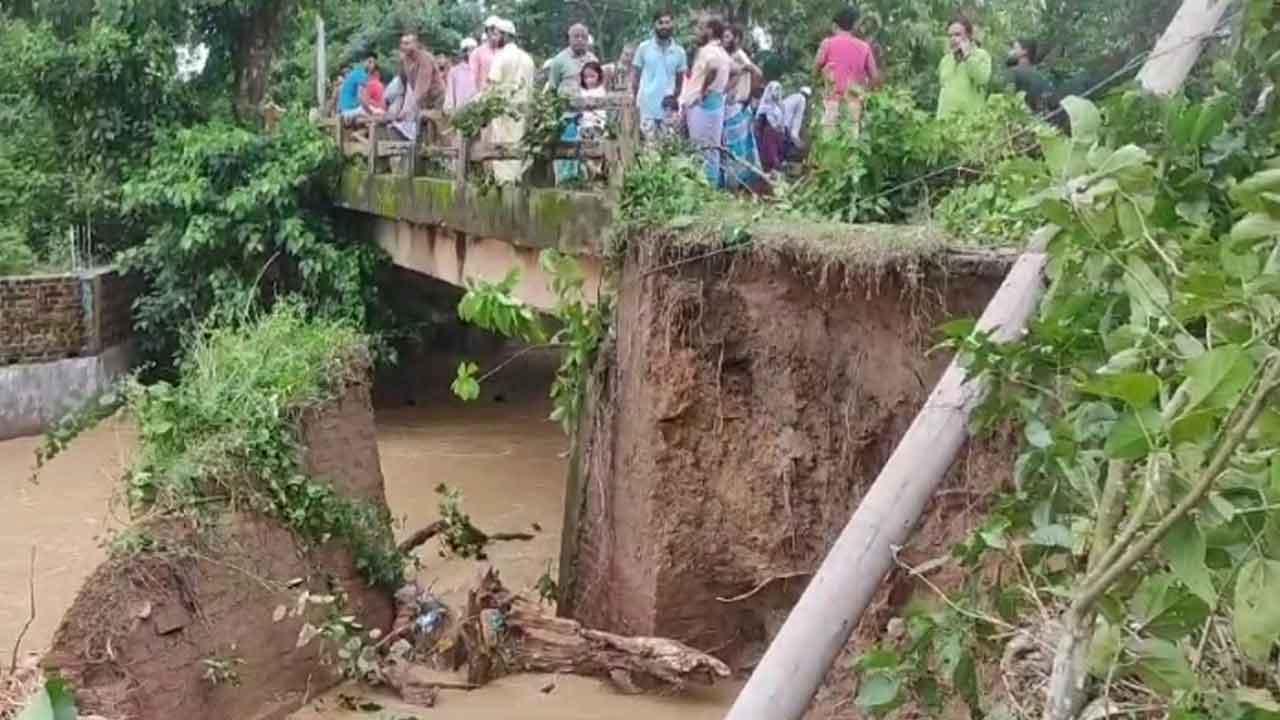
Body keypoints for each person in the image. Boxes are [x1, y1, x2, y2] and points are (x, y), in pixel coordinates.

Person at [679, 15, 732, 186]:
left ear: (710, 30)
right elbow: (734, 71)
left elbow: (713, 69)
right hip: (715, 103)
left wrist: (702, 91)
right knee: (712, 149)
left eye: (701, 28)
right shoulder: (723, 53)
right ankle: (711, 187)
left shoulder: (708, 51)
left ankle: (703, 187)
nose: (697, 31)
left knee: (701, 149)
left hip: (702, 105)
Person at [485, 18, 537, 184]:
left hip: (503, 112)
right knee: (519, 145)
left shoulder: (501, 57)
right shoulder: (528, 59)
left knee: (503, 148)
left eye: (496, 35)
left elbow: (492, 85)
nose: (494, 38)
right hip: (523, 112)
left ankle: (505, 184)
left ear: (506, 36)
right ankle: (517, 181)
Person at [814, 6, 881, 131]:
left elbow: (815, 70)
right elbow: (875, 78)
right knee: (850, 140)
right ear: (854, 25)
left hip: (831, 103)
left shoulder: (827, 43)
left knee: (829, 140)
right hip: (853, 104)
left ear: (835, 25)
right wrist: (863, 92)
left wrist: (823, 78)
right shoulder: (864, 47)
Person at [632, 12, 688, 141]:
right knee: (648, 147)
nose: (664, 26)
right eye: (660, 23)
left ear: (672, 24)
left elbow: (680, 82)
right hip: (647, 108)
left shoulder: (679, 52)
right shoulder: (643, 48)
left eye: (667, 22)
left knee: (668, 148)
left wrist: (673, 102)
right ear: (654, 25)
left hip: (668, 110)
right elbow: (635, 79)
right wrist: (635, 101)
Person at [721, 25, 763, 189]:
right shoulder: (728, 56)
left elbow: (757, 72)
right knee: (736, 146)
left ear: (736, 39)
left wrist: (750, 96)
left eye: (727, 37)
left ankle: (736, 183)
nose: (724, 40)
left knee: (736, 146)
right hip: (731, 106)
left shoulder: (739, 55)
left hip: (736, 106)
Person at [936, 17, 992, 118]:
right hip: (946, 120)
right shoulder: (946, 60)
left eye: (957, 35)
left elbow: (982, 79)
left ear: (968, 36)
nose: (953, 39)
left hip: (970, 120)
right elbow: (943, 92)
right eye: (950, 36)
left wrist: (967, 56)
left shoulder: (981, 55)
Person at [546, 24, 599, 97]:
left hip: (590, 102)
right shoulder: (559, 60)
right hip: (566, 103)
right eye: (576, 36)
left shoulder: (593, 60)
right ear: (569, 39)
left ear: (587, 40)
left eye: (583, 37)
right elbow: (552, 88)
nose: (580, 39)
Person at [1007, 38, 1052, 114]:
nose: (1010, 52)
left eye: (1014, 48)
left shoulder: (1014, 73)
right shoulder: (1041, 78)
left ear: (1024, 51)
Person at [756, 81, 788, 173]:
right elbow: (759, 123)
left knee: (780, 155)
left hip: (779, 134)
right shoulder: (765, 106)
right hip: (769, 134)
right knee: (771, 157)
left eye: (779, 90)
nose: (777, 93)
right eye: (775, 90)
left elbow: (783, 119)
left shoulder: (781, 105)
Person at [444, 37, 479, 115]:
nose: (471, 53)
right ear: (463, 52)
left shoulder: (480, 69)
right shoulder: (454, 71)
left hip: (478, 112)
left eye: (474, 50)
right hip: (460, 113)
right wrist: (450, 110)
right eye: (469, 50)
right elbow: (450, 94)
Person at [471, 16, 502, 92]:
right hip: (484, 95)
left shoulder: (506, 52)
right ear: (486, 31)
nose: (495, 32)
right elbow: (473, 78)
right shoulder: (477, 53)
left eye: (498, 29)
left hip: (503, 94)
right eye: (492, 29)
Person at [338, 56, 371, 121]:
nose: (346, 74)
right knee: (378, 115)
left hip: (345, 111)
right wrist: (370, 112)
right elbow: (361, 98)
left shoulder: (351, 78)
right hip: (351, 111)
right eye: (369, 62)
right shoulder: (360, 75)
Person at [781, 86, 811, 154]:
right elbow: (798, 118)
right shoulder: (802, 100)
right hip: (785, 124)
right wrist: (795, 136)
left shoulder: (792, 96)